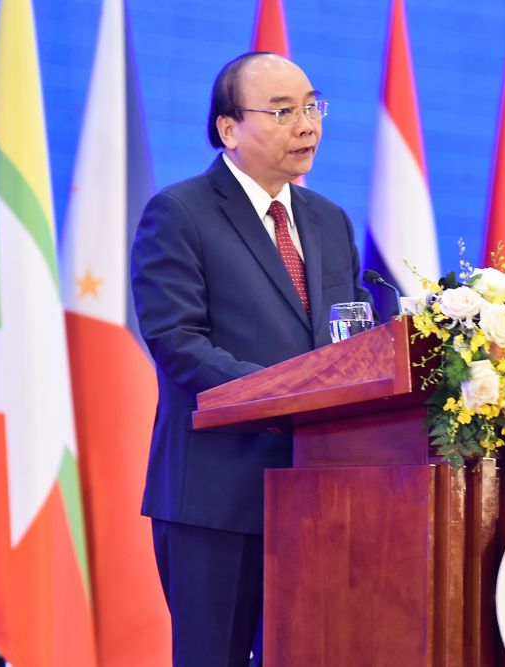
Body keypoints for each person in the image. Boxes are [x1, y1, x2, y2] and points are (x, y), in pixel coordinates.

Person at [130, 52, 372, 666]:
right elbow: (178, 342)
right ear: (228, 129)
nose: (308, 124)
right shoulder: (180, 213)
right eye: (284, 111)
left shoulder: (329, 221)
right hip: (218, 496)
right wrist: (289, 397)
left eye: (313, 106)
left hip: (321, 494)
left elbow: (354, 341)